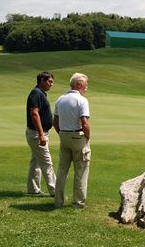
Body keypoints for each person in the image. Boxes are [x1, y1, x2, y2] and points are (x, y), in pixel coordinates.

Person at [53, 73, 91, 208]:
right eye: (85, 85)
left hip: (63, 136)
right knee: (81, 169)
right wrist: (87, 137)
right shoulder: (82, 100)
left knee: (62, 169)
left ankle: (58, 201)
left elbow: (55, 122)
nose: (86, 88)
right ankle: (78, 203)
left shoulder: (60, 99)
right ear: (79, 85)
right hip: (78, 137)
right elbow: (84, 123)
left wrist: (61, 133)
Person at [26, 71, 56, 196]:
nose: (51, 85)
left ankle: (33, 189)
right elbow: (34, 113)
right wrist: (41, 134)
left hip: (38, 133)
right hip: (37, 134)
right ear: (42, 80)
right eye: (49, 81)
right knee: (47, 162)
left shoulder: (40, 93)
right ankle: (55, 191)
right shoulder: (36, 93)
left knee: (36, 162)